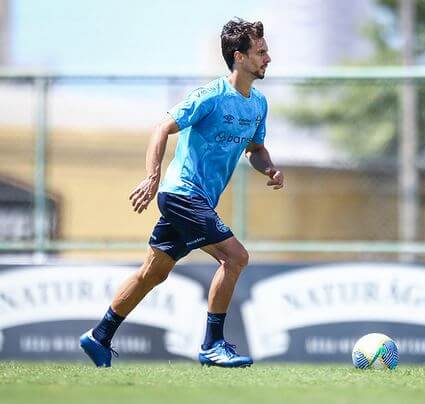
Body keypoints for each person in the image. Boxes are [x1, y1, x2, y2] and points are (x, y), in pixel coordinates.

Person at [79, 18, 282, 368]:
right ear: (239, 56)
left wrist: (270, 168)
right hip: (182, 194)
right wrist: (152, 177)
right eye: (261, 52)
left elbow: (255, 149)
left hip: (197, 200)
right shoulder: (210, 96)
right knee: (235, 257)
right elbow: (162, 127)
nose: (268, 58)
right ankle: (212, 344)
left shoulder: (258, 104)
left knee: (153, 273)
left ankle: (99, 336)